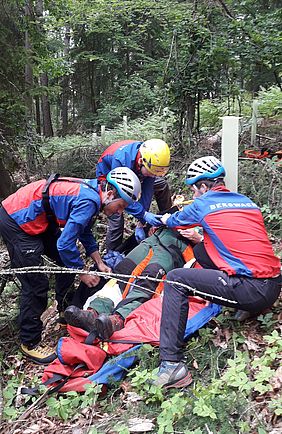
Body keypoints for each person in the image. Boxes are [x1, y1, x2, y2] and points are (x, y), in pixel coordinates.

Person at [154, 155, 281, 388]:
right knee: (202, 250)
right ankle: (246, 306)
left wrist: (156, 217)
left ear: (204, 186)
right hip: (273, 283)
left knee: (175, 280)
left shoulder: (203, 204)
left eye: (194, 189)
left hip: (251, 288)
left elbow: (173, 221)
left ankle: (172, 365)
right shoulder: (246, 201)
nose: (193, 195)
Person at [0, 167, 141, 364]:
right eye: (120, 205)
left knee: (64, 262)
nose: (119, 211)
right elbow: (65, 244)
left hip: (41, 218)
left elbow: (84, 232)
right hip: (16, 220)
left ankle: (65, 310)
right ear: (110, 194)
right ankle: (30, 342)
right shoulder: (89, 201)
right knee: (36, 284)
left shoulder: (94, 195)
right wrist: (82, 273)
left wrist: (98, 262)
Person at [63, 226, 199, 339]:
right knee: (120, 275)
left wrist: (198, 238)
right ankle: (94, 311)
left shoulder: (212, 213)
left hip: (176, 248)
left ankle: (118, 318)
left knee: (148, 281)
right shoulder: (188, 208)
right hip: (154, 239)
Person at [96, 139, 172, 250]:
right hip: (110, 178)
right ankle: (112, 255)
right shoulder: (121, 160)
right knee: (116, 217)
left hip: (135, 173)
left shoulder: (151, 161)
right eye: (152, 172)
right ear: (141, 161)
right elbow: (123, 195)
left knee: (161, 185)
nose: (153, 175)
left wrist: (142, 221)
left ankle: (168, 220)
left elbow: (148, 190)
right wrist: (143, 214)